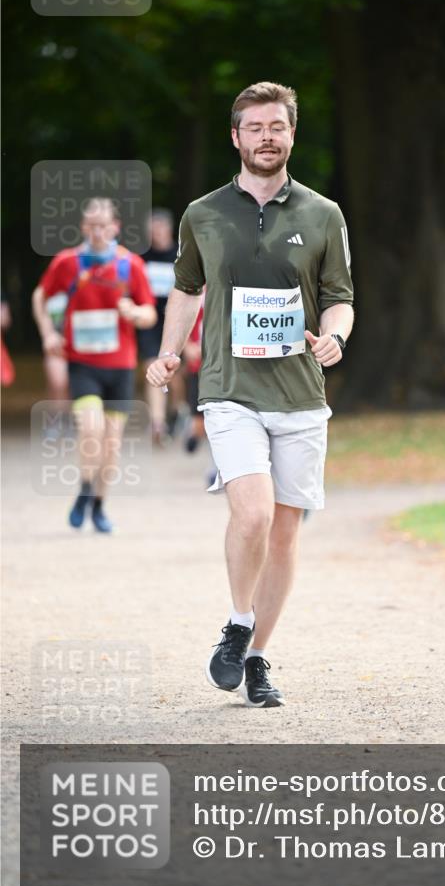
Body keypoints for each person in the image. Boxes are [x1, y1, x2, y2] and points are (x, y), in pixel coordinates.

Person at [147, 81, 354, 707]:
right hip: (229, 388)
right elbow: (185, 289)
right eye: (255, 127)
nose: (268, 137)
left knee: (286, 533)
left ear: (292, 135)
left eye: (278, 127)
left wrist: (335, 339)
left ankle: (258, 658)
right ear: (235, 137)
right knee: (255, 513)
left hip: (300, 393)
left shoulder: (324, 214)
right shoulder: (202, 213)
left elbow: (340, 297)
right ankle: (239, 623)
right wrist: (166, 350)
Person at [33, 197, 156, 532]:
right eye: (92, 225)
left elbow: (150, 314)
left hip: (119, 366)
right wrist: (47, 334)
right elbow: (40, 297)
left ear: (115, 227)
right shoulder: (67, 262)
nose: (98, 231)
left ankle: (99, 505)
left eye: (105, 225)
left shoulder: (131, 265)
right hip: (83, 364)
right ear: (84, 228)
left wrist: (135, 313)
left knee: (112, 442)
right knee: (91, 430)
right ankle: (84, 490)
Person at [138, 209, 188, 444]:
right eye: (152, 230)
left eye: (159, 229)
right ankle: (157, 422)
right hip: (150, 322)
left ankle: (179, 409)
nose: (156, 234)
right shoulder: (141, 257)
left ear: (168, 230)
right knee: (152, 366)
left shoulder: (181, 254)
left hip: (176, 321)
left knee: (174, 374)